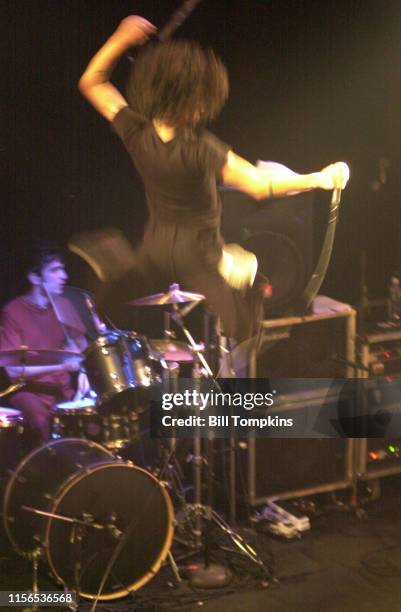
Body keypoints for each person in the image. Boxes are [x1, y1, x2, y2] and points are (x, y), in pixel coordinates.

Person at [77, 15, 349, 345]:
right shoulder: (202, 149)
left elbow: (92, 82)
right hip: (201, 257)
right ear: (190, 100)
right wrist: (319, 179)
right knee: (245, 329)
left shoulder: (136, 132)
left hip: (155, 251)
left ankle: (116, 263)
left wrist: (121, 36)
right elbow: (259, 185)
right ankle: (240, 272)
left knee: (110, 299)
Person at [0, 244, 90, 450]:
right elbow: (14, 372)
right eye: (55, 270)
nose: (64, 276)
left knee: (91, 420)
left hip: (63, 391)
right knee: (43, 423)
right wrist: (61, 365)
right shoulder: (13, 312)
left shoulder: (63, 305)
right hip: (29, 393)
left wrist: (82, 371)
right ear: (35, 278)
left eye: (63, 269)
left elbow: (81, 343)